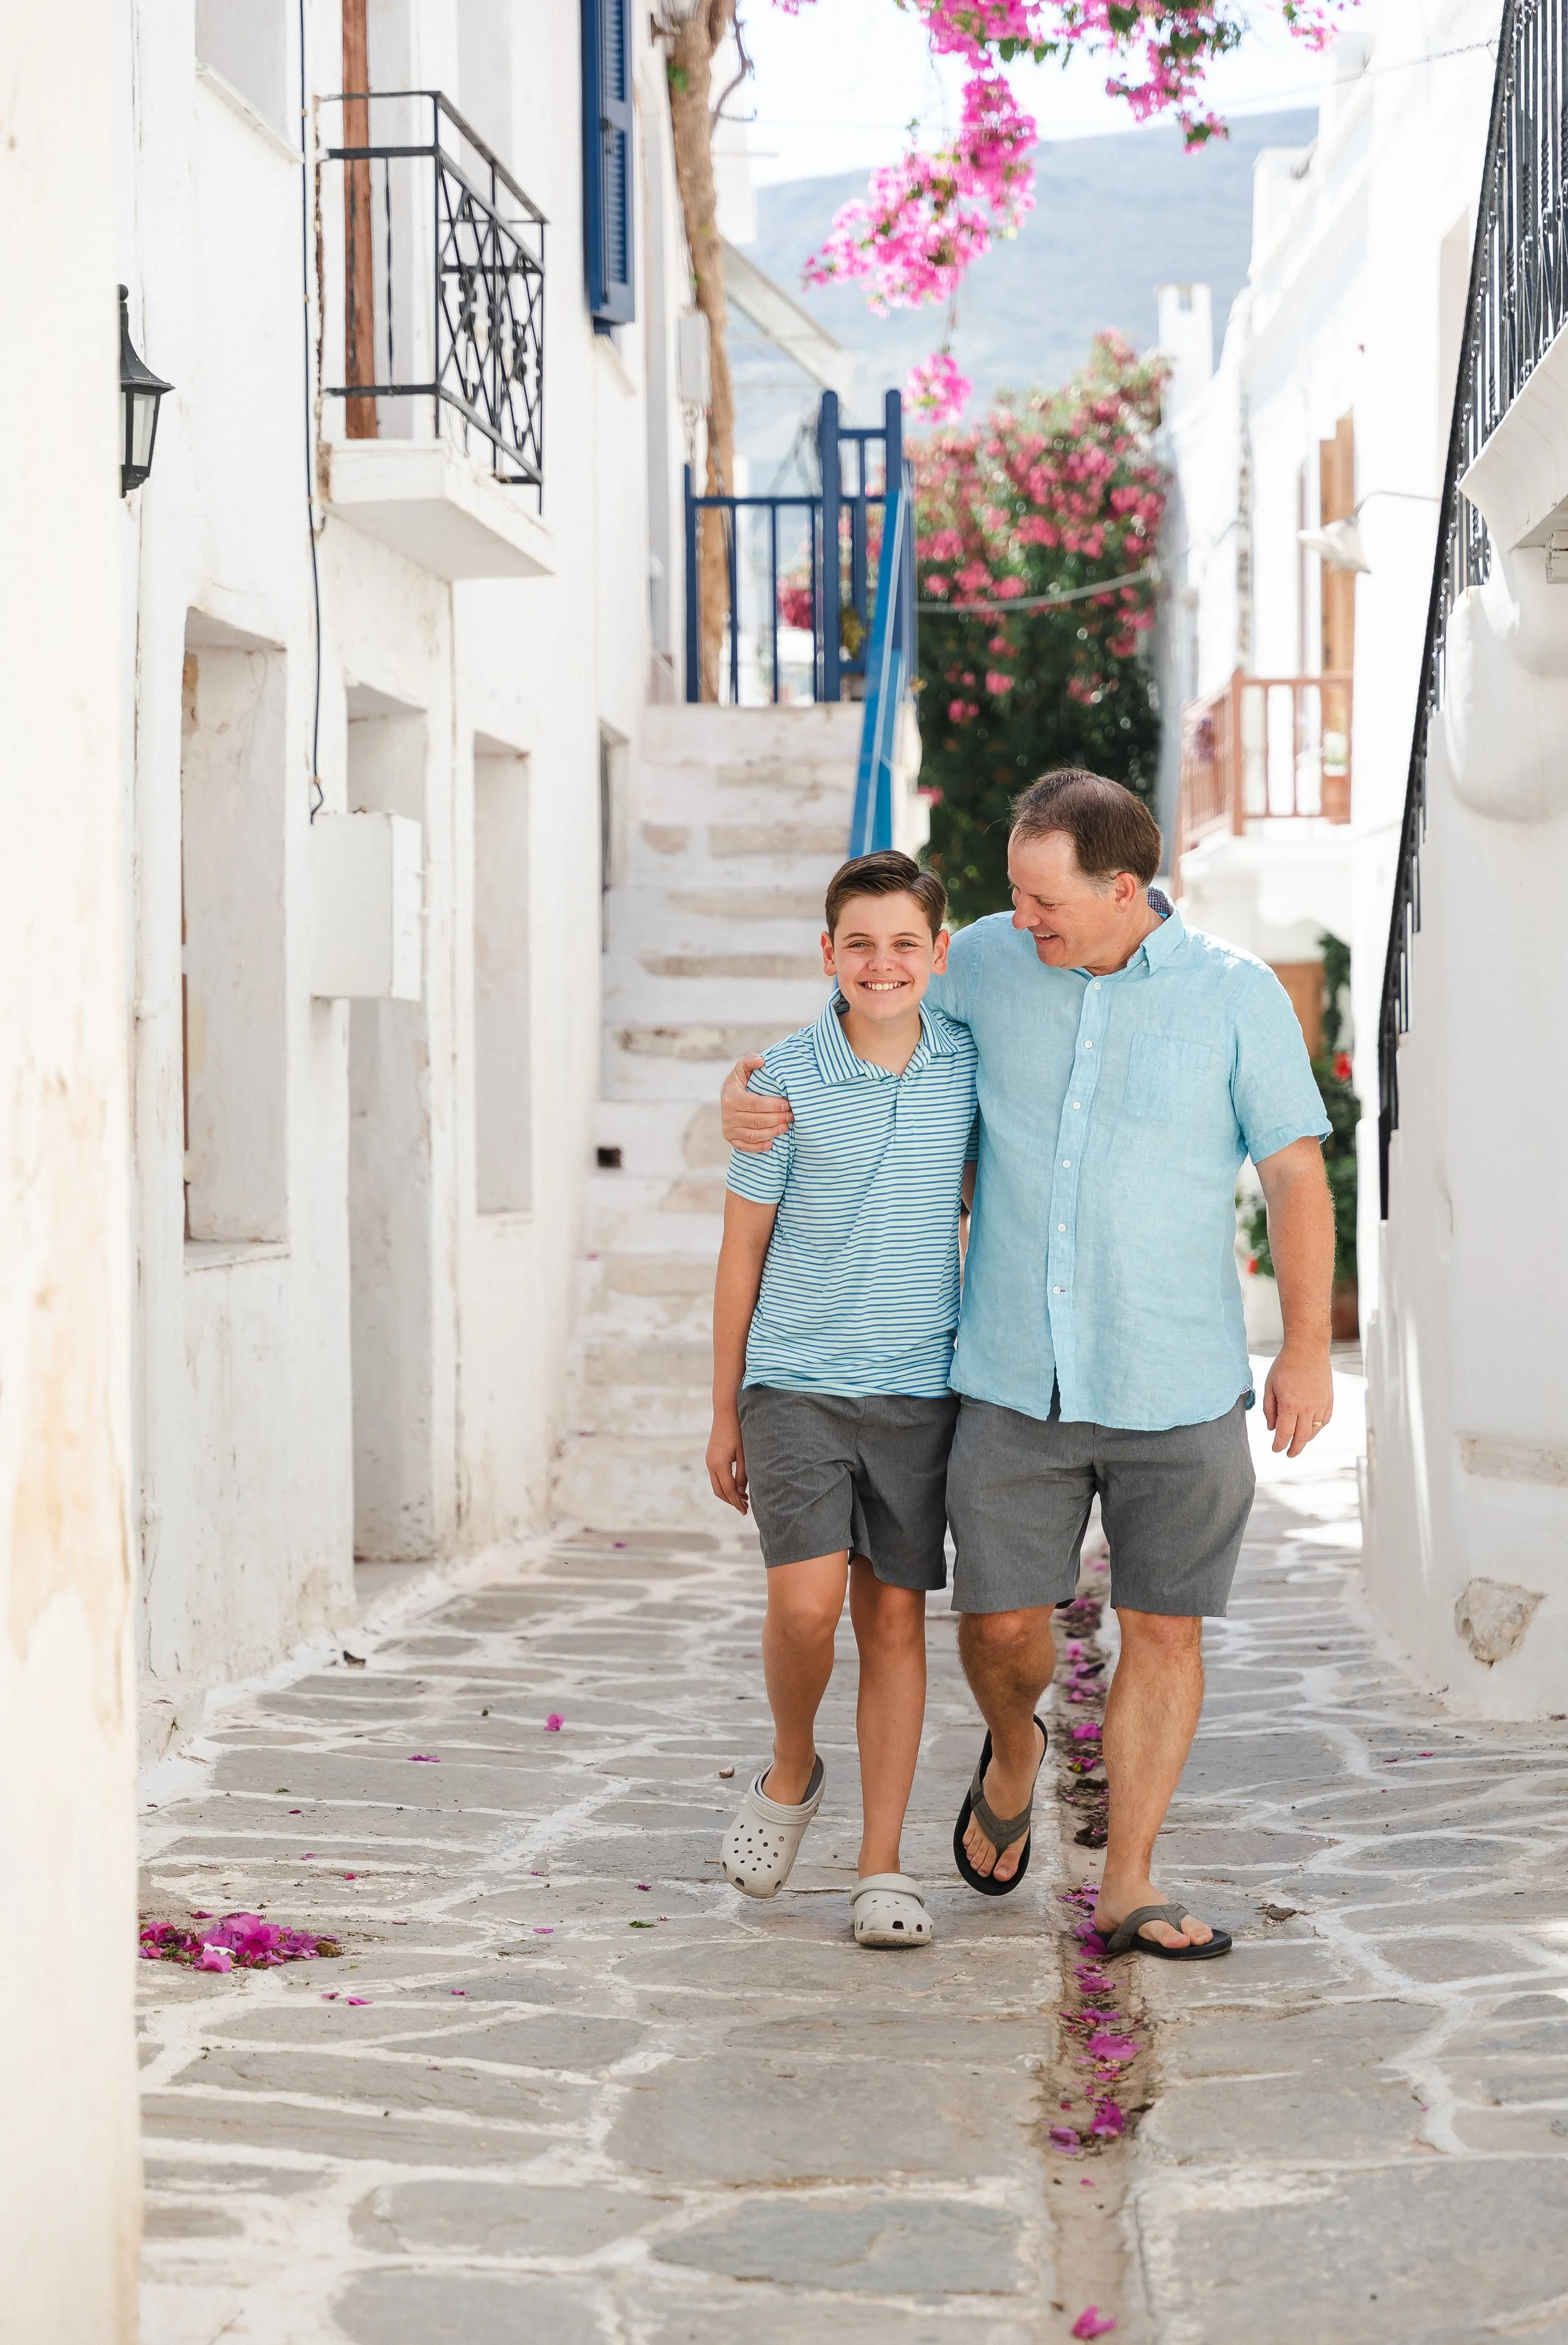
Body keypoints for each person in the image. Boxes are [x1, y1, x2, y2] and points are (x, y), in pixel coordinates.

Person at [721, 771, 1335, 1961]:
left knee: (1167, 1631)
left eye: (1042, 897)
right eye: (1012, 893)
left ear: (1122, 888)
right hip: (1011, 1380)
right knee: (1002, 1633)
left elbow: (1297, 1173)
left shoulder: (1235, 994)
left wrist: (1305, 1349)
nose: (1023, 916)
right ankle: (1015, 1749)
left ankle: (1131, 1882)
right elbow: (865, 1021)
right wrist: (747, 1093)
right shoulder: (990, 961)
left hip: (1177, 1380)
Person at [707, 850, 978, 1950]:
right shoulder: (779, 1083)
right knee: (808, 1606)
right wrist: (724, 1410)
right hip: (796, 1385)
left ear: (939, 954)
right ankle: (789, 1761)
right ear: (829, 954)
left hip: (921, 1390)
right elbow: (741, 1255)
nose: (883, 963)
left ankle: (881, 1866)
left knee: (896, 1619)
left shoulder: (970, 1063)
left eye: (905, 943)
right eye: (860, 943)